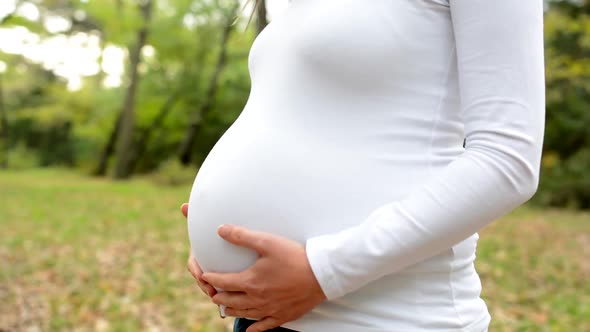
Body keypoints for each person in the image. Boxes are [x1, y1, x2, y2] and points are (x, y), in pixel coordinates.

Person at [182, 0, 545, 331]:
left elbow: (507, 159)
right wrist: (217, 236)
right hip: (264, 318)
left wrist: (325, 271)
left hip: (385, 318)